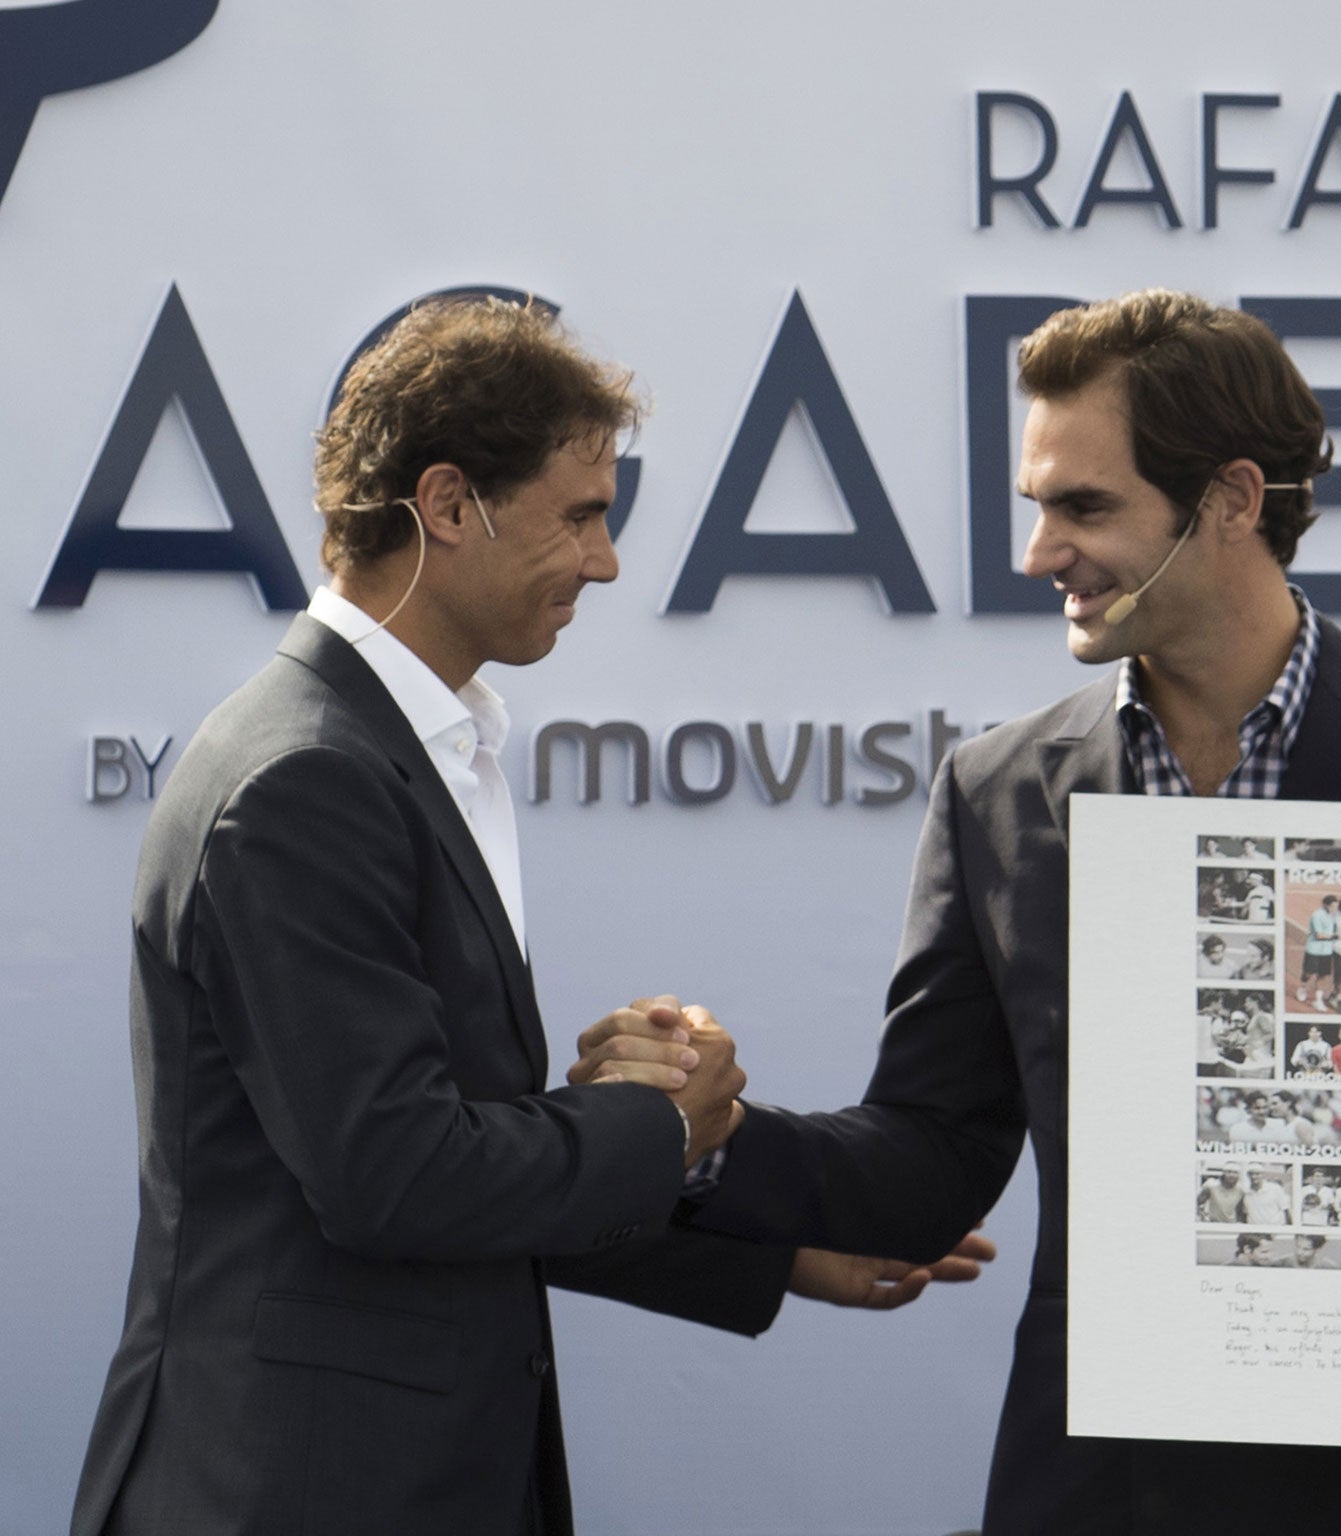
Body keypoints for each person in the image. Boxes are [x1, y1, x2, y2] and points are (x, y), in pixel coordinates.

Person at [658, 288, 1341, 1526]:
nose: (1036, 554)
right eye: (1036, 507)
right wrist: (703, 1135)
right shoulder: (998, 790)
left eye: (1083, 506)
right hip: (1116, 1492)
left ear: (1230, 499)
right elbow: (929, 1155)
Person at [69, 300, 974, 1536]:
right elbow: (396, 1176)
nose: (604, 562)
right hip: (297, 1491)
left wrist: (773, 1255)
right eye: (582, 516)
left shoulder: (391, 754)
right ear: (447, 507)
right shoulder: (306, 780)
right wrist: (659, 1126)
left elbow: (456, 1167)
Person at [1296, 894, 1339, 1005]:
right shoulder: (1317, 915)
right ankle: (1302, 987)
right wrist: (1334, 936)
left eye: (1336, 907)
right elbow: (1319, 935)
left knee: (1323, 975)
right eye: (1332, 906)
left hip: (1327, 951)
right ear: (1325, 905)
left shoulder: (1333, 916)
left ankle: (1318, 1000)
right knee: (1308, 973)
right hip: (1314, 950)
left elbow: (1333, 930)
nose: (1334, 909)